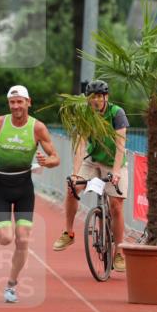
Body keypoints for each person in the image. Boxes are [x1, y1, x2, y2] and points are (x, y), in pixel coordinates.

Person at [0, 85, 60, 303]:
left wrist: (48, 161)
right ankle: (4, 232)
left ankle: (11, 285)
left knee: (23, 239)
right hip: (1, 188)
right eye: (12, 102)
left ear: (29, 102)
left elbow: (55, 157)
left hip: (24, 189)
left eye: (20, 101)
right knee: (6, 238)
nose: (16, 106)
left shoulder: (38, 128)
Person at [52, 79, 130, 272]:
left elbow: (121, 146)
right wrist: (75, 174)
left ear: (106, 97)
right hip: (92, 160)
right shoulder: (84, 114)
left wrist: (117, 172)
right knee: (71, 188)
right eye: (92, 97)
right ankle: (68, 232)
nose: (95, 101)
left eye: (99, 97)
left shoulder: (116, 113)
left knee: (116, 205)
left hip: (114, 162)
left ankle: (119, 252)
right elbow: (79, 146)